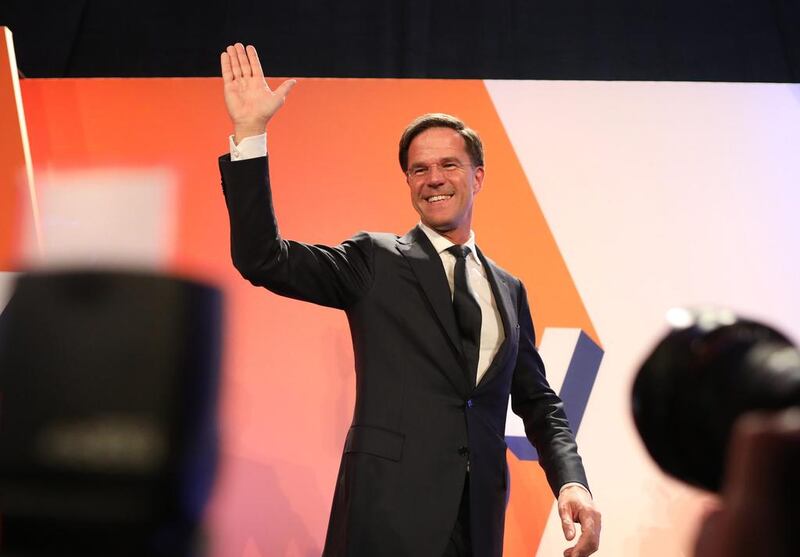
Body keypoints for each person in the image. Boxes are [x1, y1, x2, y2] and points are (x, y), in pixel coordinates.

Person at [218, 42, 601, 557]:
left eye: (449, 164)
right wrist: (250, 134)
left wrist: (572, 483)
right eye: (419, 170)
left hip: (477, 525)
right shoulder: (374, 260)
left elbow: (538, 402)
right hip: (385, 522)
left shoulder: (509, 289)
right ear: (408, 182)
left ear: (478, 176)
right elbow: (263, 258)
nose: (434, 179)